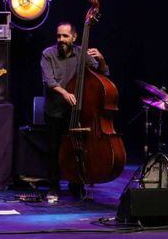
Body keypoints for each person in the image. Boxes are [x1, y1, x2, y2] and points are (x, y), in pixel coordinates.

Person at [40, 21, 110, 200]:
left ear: (74, 37)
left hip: (78, 110)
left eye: (65, 36)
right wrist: (64, 92)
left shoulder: (81, 53)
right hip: (55, 110)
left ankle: (76, 184)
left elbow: (103, 74)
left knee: (78, 148)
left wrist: (101, 59)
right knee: (54, 149)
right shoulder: (48, 54)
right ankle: (53, 187)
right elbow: (49, 80)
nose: (61, 39)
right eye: (58, 36)